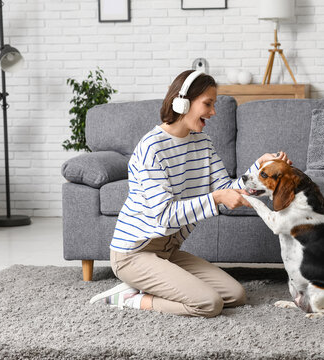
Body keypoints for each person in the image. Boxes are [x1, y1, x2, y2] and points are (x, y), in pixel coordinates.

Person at [89, 69, 291, 317]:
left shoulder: (201, 142)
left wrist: (261, 167)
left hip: (168, 251)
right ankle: (129, 297)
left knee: (235, 295)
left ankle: (156, 282)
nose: (213, 112)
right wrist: (216, 199)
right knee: (208, 304)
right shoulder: (151, 149)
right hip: (134, 253)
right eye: (207, 104)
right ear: (182, 102)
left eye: (214, 105)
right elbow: (165, 215)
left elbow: (226, 189)